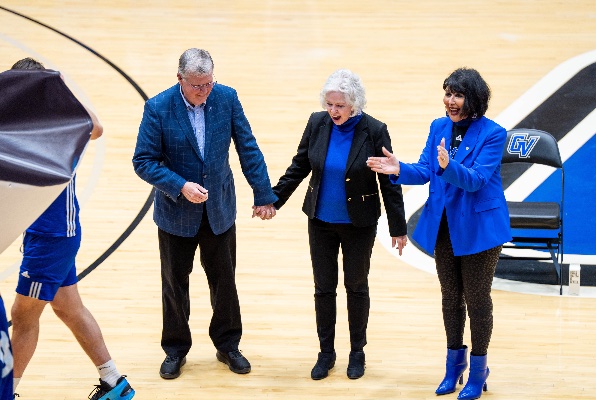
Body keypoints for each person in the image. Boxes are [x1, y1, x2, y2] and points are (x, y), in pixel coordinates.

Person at [132, 48, 277, 380]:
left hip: (219, 210)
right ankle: (175, 349)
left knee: (224, 283)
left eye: (208, 84)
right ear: (180, 78)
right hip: (174, 213)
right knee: (174, 285)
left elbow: (248, 146)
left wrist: (263, 194)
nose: (204, 91)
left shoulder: (226, 97)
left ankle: (228, 345)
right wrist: (180, 184)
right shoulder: (158, 107)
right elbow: (143, 161)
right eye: (197, 86)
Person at [367, 67, 511, 399]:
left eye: (458, 94)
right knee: (450, 299)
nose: (450, 101)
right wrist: (399, 169)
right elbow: (426, 170)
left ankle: (478, 370)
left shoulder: (493, 133)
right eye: (447, 93)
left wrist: (448, 166)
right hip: (444, 225)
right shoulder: (438, 126)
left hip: (479, 230)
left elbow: (474, 180)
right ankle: (453, 367)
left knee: (476, 301)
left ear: (473, 100)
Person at [269, 69, 408, 380]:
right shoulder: (317, 123)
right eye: (329, 105)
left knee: (356, 287)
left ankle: (357, 352)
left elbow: (390, 181)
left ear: (354, 105)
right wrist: (273, 200)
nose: (333, 111)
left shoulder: (374, 130)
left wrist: (398, 227)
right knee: (323, 288)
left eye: (340, 106)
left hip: (359, 223)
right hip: (320, 221)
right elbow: (299, 166)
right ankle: (326, 352)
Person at [9, 58, 135, 400]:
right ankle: (115, 384)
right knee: (68, 308)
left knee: (22, 317)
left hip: (53, 238)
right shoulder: (24, 125)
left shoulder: (64, 123)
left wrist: (60, 84)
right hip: (43, 235)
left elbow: (97, 127)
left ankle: (8, 392)